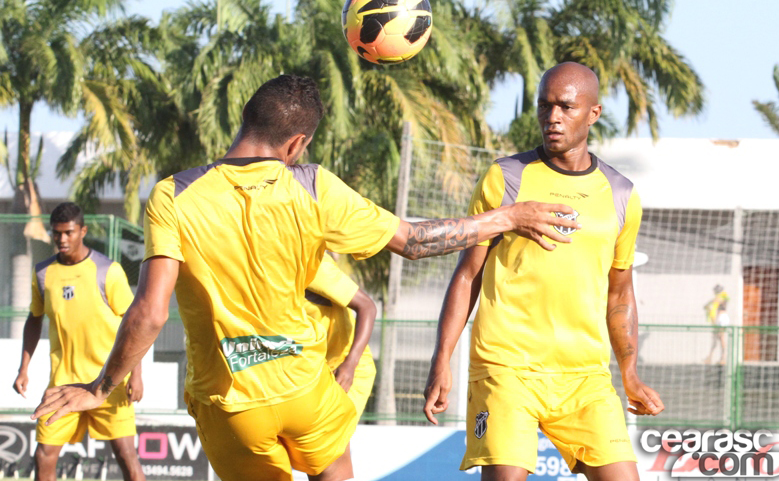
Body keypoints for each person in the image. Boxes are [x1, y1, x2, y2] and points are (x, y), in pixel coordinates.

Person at [33, 75, 580, 481]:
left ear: (245, 122)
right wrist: (508, 216)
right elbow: (415, 242)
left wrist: (100, 387)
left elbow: (150, 313)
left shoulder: (173, 194)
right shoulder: (314, 186)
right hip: (304, 391)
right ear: (295, 145)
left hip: (231, 406)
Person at [423, 62, 664, 481]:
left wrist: (629, 373)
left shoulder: (621, 194)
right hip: (507, 367)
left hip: (585, 377)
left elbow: (620, 293)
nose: (552, 117)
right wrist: (441, 358)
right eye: (545, 106)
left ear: (594, 113)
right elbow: (468, 275)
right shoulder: (506, 177)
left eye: (566, 107)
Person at [13, 202, 144, 481]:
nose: (62, 239)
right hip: (62, 385)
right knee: (44, 456)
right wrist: (23, 368)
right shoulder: (43, 273)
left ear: (82, 231)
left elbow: (134, 326)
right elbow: (34, 319)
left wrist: (137, 375)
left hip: (108, 383)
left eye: (69, 232)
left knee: (126, 457)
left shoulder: (108, 271)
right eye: (57, 233)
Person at [304, 253, 377, 417]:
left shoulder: (312, 265)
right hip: (312, 371)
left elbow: (367, 307)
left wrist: (350, 365)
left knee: (336, 437)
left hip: (345, 368)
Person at [704, 284, 730, 364]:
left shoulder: (722, 298)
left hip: (722, 318)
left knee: (721, 338)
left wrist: (710, 303)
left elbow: (717, 301)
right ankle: (709, 357)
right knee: (715, 339)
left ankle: (723, 358)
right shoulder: (718, 298)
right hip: (718, 319)